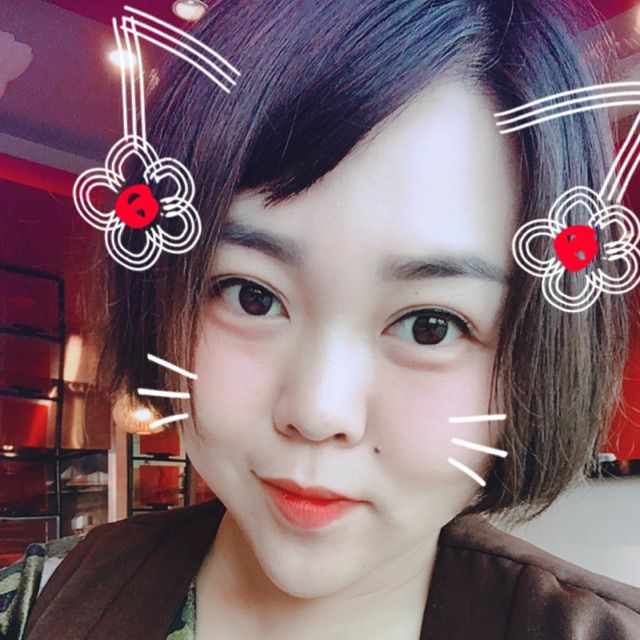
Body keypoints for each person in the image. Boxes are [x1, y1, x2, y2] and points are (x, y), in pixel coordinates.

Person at [2, 0, 640, 638]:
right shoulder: (37, 607)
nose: (316, 412)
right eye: (251, 296)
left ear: (536, 356)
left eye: (431, 325)